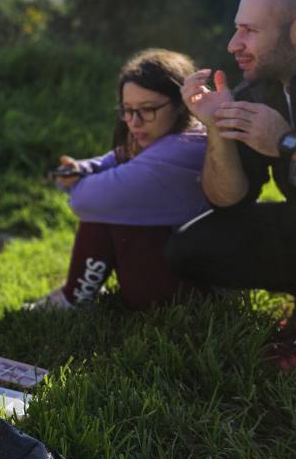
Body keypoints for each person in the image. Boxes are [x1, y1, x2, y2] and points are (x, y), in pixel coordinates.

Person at [168, 0, 296, 370]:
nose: (233, 43)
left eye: (249, 31)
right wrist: (217, 127)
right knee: (191, 248)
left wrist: (285, 141)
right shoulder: (260, 89)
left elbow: (284, 142)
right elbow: (229, 200)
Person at [29, 49, 209, 312]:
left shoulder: (184, 148)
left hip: (192, 293)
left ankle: (73, 299)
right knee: (111, 196)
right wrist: (81, 169)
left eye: (147, 110)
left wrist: (80, 182)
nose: (134, 122)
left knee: (107, 206)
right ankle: (77, 295)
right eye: (127, 110)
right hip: (185, 275)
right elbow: (110, 160)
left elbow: (86, 200)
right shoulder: (172, 135)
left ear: (182, 104)